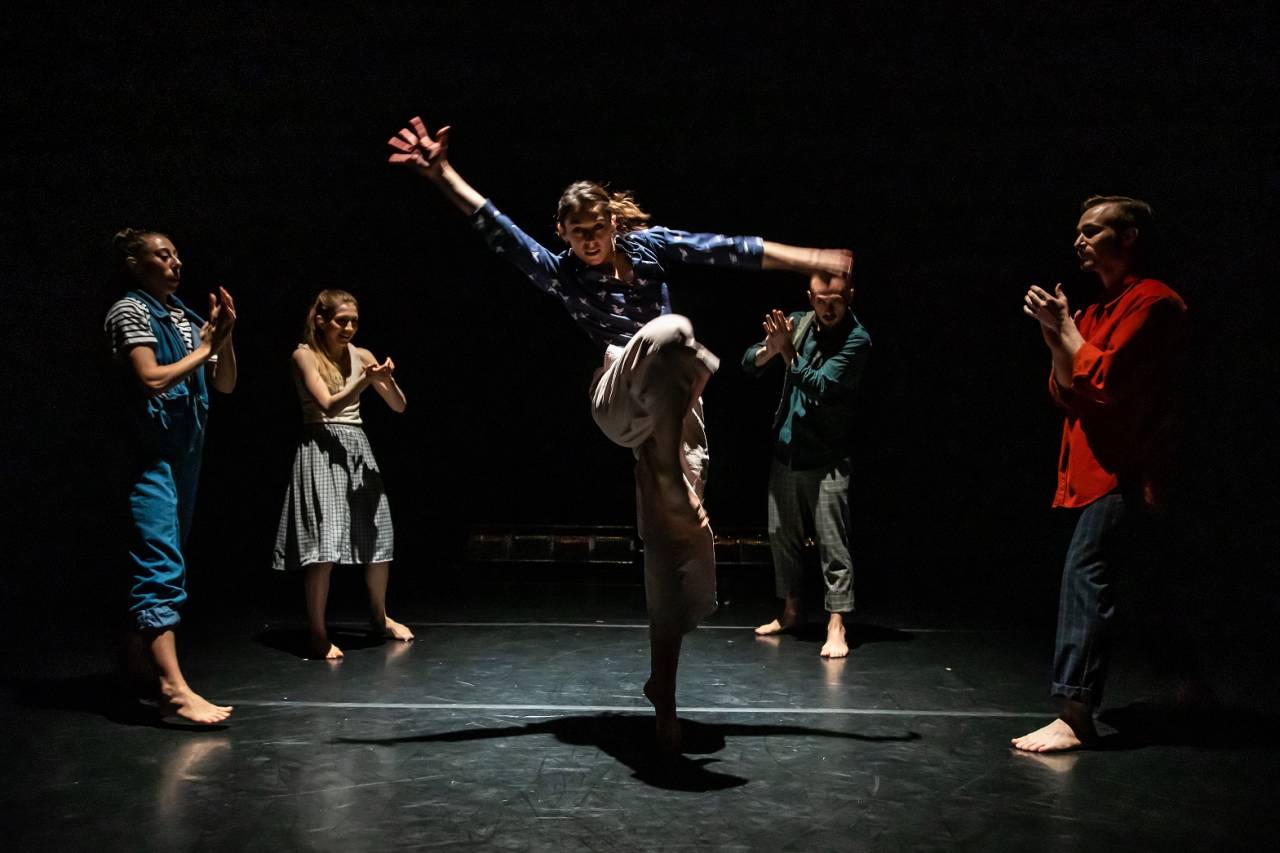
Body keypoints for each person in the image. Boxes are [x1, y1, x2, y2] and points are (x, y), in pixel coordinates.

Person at [387, 116, 851, 749]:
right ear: (562, 234)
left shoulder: (652, 245)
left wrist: (812, 257)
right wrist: (440, 173)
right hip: (618, 400)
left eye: (595, 230)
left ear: (613, 223)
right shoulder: (559, 272)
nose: (586, 242)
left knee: (672, 549)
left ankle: (664, 689)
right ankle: (665, 468)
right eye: (574, 234)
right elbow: (493, 226)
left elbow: (732, 249)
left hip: (677, 413)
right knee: (671, 333)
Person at [1013, 195, 1188, 752]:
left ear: (1128, 235)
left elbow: (1106, 380)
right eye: (1078, 233)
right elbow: (1067, 392)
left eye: (1092, 232)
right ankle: (1192, 686)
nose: (1079, 242)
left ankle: (1075, 713)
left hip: (1126, 468)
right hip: (1093, 469)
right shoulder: (1089, 314)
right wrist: (1058, 333)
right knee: (1141, 586)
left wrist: (1064, 330)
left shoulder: (1154, 303)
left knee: (1086, 577)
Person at [104, 228, 237, 724]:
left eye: (178, 255)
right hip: (148, 455)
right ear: (136, 265)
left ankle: (132, 668)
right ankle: (171, 688)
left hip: (185, 457)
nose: (176, 263)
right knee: (160, 563)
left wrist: (224, 338)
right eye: (163, 256)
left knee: (161, 556)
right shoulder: (130, 311)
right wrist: (204, 350)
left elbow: (223, 384)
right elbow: (149, 378)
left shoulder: (185, 316)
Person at [272, 289, 411, 660]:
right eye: (341, 321)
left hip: (356, 447)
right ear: (321, 320)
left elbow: (398, 406)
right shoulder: (304, 355)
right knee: (325, 545)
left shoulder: (362, 356)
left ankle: (380, 618)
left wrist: (386, 380)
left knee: (379, 537)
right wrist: (364, 381)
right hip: (320, 446)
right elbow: (329, 406)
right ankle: (317, 631)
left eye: (354, 321)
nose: (349, 328)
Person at [743, 272, 871, 657]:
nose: (827, 308)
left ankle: (837, 625)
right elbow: (749, 362)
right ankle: (791, 611)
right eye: (820, 300)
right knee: (782, 535)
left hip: (827, 456)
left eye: (835, 300)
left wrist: (786, 352)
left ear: (850, 295)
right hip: (788, 451)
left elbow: (821, 385)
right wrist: (770, 348)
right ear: (809, 297)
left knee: (834, 544)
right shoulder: (797, 324)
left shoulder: (857, 339)